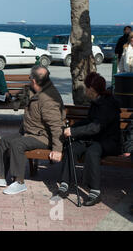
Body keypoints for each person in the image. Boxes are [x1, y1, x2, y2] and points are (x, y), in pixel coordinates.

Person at [0, 65, 65, 195]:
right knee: (4, 141)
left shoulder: (49, 99)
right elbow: (18, 101)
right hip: (30, 132)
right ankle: (0, 177)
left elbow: (56, 126)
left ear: (34, 80)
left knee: (17, 144)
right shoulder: (34, 90)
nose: (29, 79)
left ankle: (19, 182)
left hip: (43, 137)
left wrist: (57, 150)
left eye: (30, 77)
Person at [55, 72, 121, 206]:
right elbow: (89, 121)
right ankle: (65, 183)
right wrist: (71, 128)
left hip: (108, 141)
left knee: (92, 152)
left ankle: (95, 192)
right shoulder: (96, 101)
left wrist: (73, 131)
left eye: (86, 87)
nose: (85, 89)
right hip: (93, 139)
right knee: (72, 147)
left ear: (92, 89)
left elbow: (96, 127)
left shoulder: (108, 104)